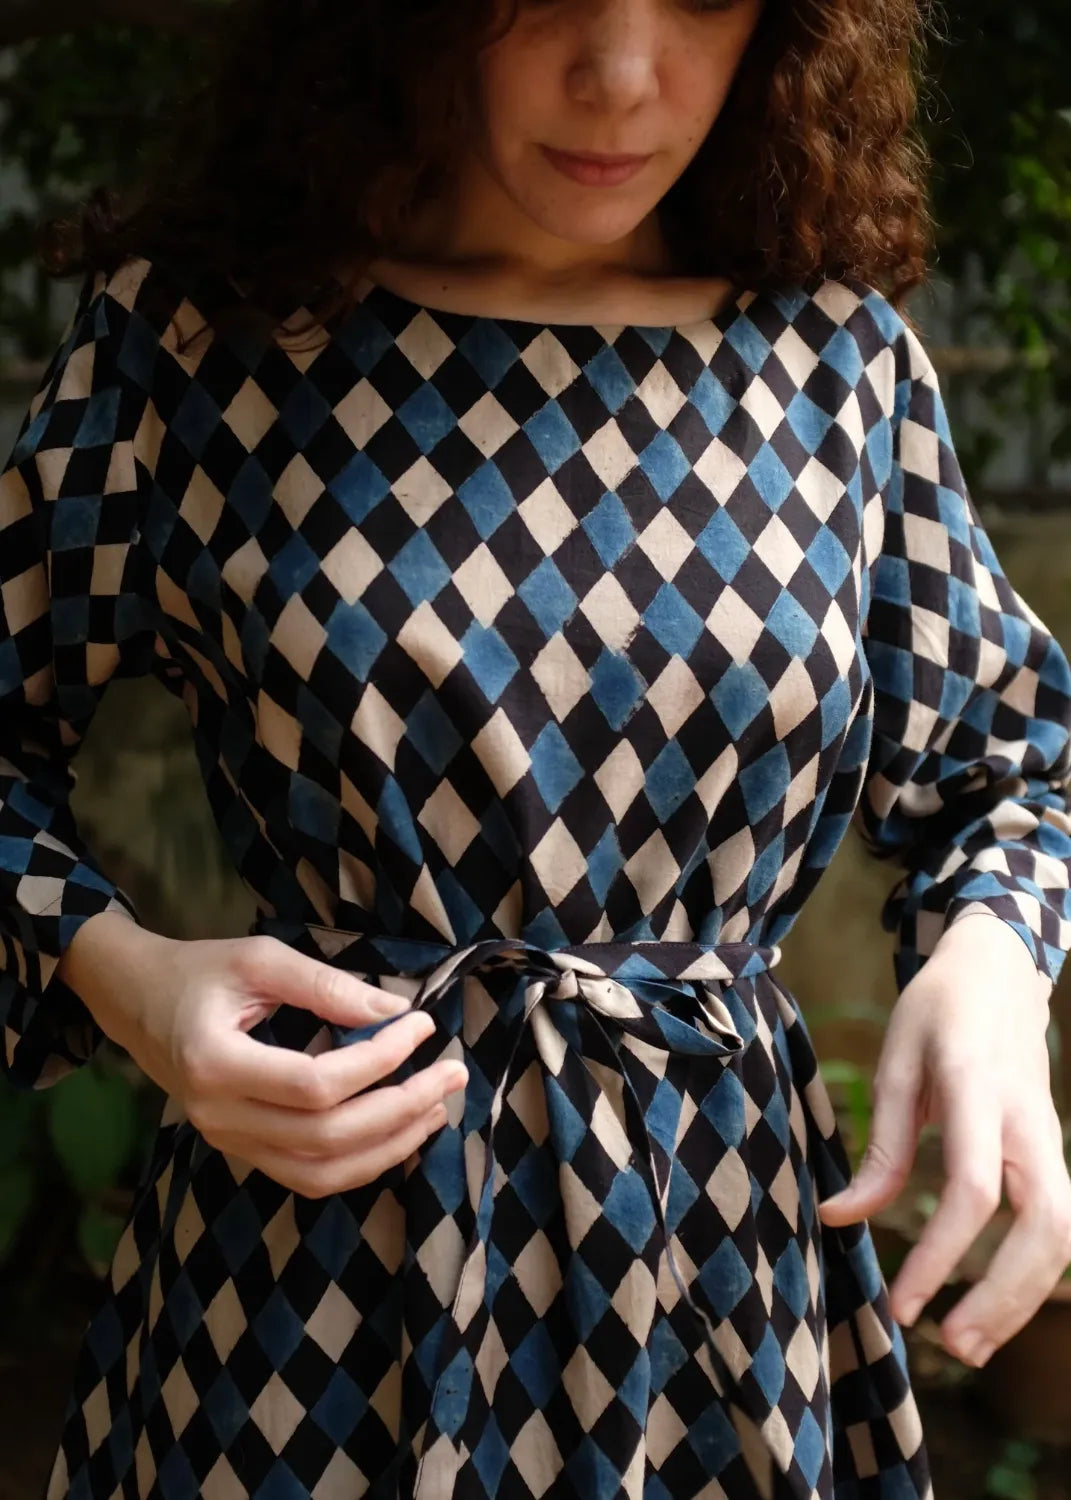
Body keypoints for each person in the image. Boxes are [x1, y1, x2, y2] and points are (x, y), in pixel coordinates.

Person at [2, 0, 1071, 1495]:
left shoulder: (842, 371)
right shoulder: (194, 344)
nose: (619, 75)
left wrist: (995, 974)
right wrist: (126, 982)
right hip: (302, 1303)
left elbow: (1012, 773)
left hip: (723, 1290)